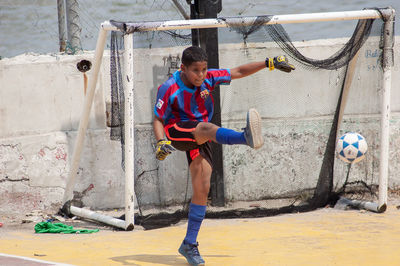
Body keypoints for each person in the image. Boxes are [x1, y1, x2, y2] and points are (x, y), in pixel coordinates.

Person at [153, 46, 294, 265]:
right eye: (195, 70)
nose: (201, 75)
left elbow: (237, 71)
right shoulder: (169, 87)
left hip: (200, 136)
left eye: (204, 69)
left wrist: (269, 63)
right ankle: (244, 137)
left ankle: (189, 244)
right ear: (183, 68)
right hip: (177, 131)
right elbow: (158, 119)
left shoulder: (209, 78)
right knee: (208, 128)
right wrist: (161, 141)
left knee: (202, 189)